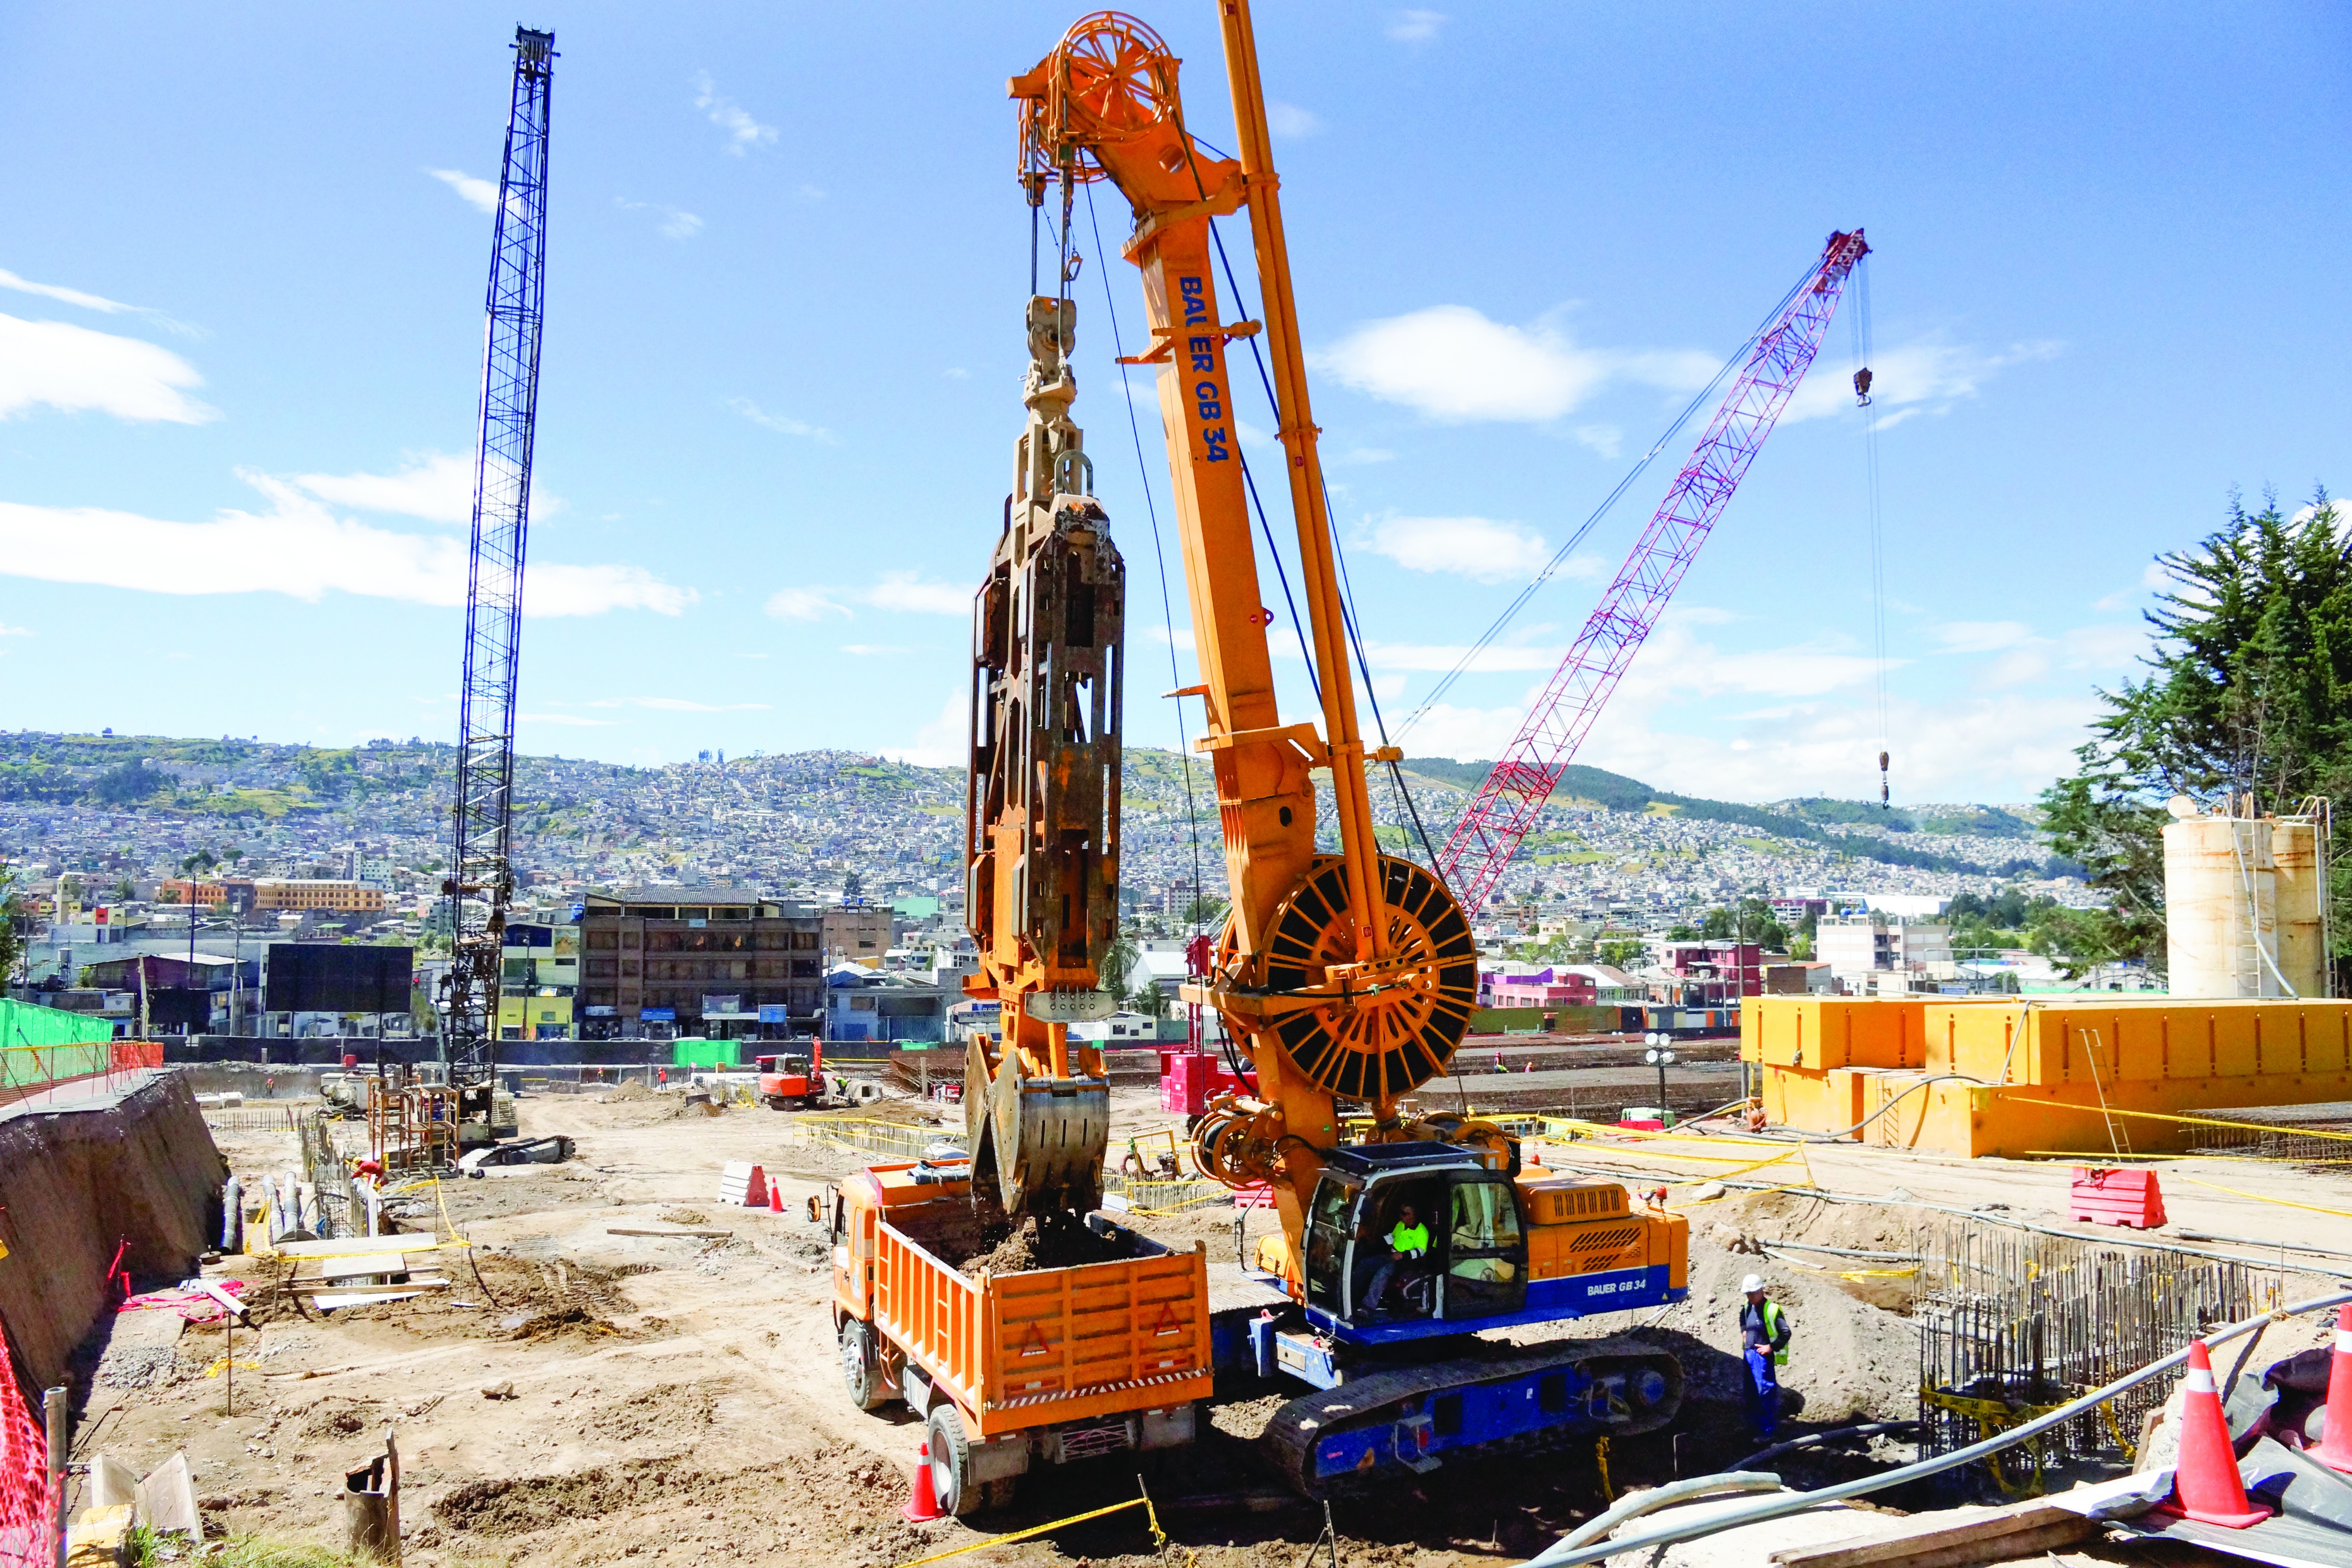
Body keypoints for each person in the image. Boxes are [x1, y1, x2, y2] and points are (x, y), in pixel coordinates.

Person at [1738, 1273, 1792, 1438]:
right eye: (1748, 1294)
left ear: (1762, 1290)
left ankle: (1767, 1433)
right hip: (1749, 1355)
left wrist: (1771, 1347)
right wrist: (1744, 1331)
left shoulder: (1772, 1310)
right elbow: (1742, 1319)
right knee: (1751, 1393)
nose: (1751, 1297)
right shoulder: (1747, 1307)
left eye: (1753, 1293)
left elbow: (1786, 1332)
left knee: (1765, 1394)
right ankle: (1752, 1427)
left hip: (1762, 1359)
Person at [1362, 1202, 1430, 1316]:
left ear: (1412, 1215)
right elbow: (1392, 1238)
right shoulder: (1400, 1224)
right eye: (1400, 1212)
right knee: (1365, 1263)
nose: (1401, 1216)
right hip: (1390, 1255)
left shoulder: (1422, 1232)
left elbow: (1421, 1252)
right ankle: (1352, 1294)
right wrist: (1375, 1241)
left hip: (1404, 1263)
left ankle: (1368, 1307)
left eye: (1404, 1213)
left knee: (1382, 1272)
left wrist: (1403, 1255)